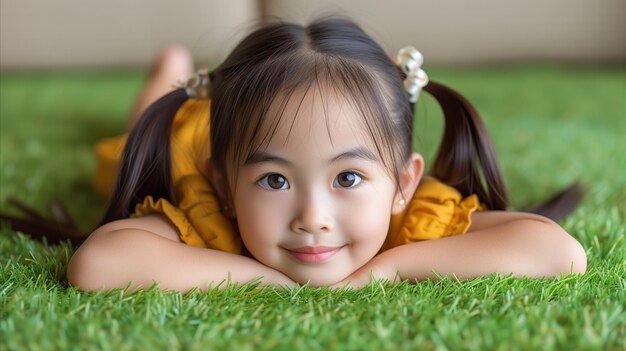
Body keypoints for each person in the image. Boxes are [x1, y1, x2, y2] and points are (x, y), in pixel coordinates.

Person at [3, 17, 587, 293]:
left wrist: (377, 272)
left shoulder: (414, 218)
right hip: (190, 136)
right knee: (146, 124)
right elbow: (97, 265)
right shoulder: (204, 204)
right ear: (227, 187)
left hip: (246, 131)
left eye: (350, 177)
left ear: (404, 183)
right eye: (276, 183)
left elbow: (560, 252)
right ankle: (168, 75)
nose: (314, 216)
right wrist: (262, 280)